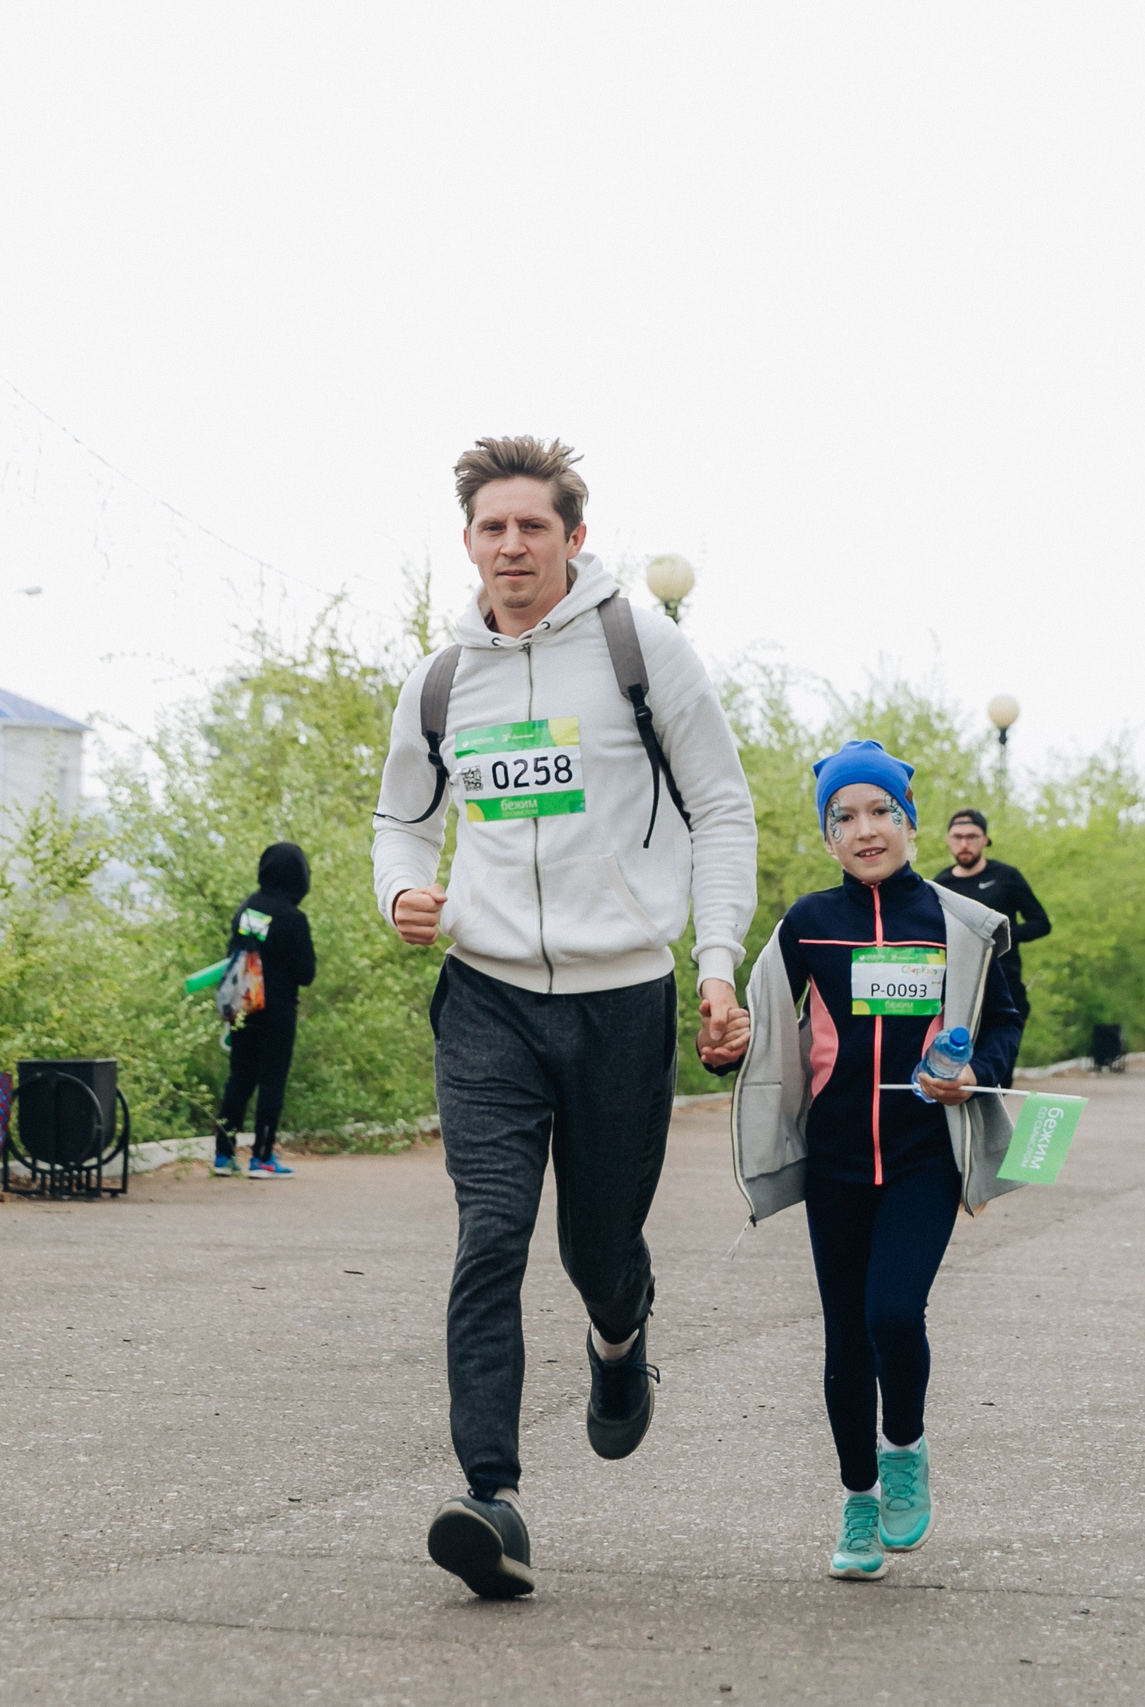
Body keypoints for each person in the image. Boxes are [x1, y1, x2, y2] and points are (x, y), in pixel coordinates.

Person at [370, 436, 757, 1599]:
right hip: (486, 996)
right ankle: (488, 1497)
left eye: (532, 526)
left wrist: (718, 966)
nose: (512, 546)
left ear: (573, 538)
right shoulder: (443, 682)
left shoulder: (641, 651)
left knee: (599, 1248)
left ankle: (620, 1340)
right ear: (469, 542)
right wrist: (401, 891)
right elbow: (400, 820)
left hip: (620, 998)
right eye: (492, 527)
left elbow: (721, 809)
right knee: (490, 1232)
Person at [709, 742, 1025, 1581]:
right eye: (844, 817)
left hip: (925, 1155)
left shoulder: (960, 924)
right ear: (828, 838)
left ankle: (905, 1446)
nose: (866, 829)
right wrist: (722, 1045)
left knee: (892, 1311)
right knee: (846, 1337)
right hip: (838, 1162)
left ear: (911, 824)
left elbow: (1004, 1018)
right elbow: (758, 1023)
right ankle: (857, 1500)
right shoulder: (806, 923)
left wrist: (976, 1072)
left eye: (882, 811)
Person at [214, 842, 317, 1180]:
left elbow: (234, 952)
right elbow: (306, 973)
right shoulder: (293, 918)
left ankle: (223, 1155)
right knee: (272, 1081)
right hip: (278, 1010)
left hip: (244, 1006)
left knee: (239, 1078)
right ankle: (262, 1158)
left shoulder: (247, 909)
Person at [932, 808, 1050, 1027]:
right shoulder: (941, 884)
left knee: (1002, 1048)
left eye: (971, 836)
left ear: (985, 839)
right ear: (948, 839)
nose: (964, 844)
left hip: (1005, 989)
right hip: (958, 995)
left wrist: (998, 937)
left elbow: (1041, 924)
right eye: (957, 837)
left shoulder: (1006, 876)